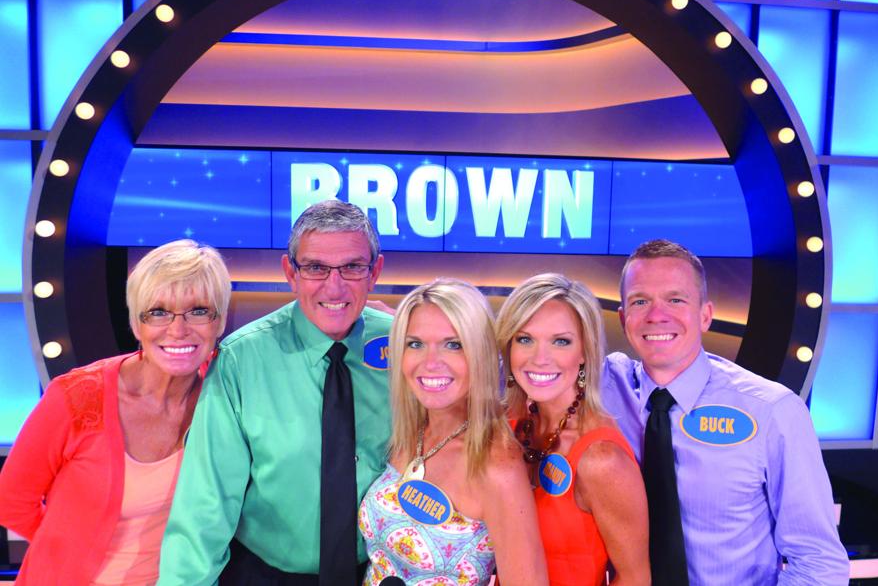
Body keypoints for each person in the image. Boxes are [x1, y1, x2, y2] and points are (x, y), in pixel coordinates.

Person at [158, 200, 392, 585]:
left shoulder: (408, 347)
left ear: (375, 272)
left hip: (381, 572)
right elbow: (206, 506)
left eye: (352, 267)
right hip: (266, 574)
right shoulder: (240, 359)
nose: (334, 286)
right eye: (315, 267)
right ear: (290, 272)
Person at [603, 239, 849, 585]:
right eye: (640, 301)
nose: (656, 315)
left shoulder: (772, 412)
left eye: (675, 300)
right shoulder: (605, 389)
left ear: (705, 316)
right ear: (623, 318)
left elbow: (819, 562)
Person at [0, 239, 231, 585]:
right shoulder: (75, 396)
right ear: (136, 325)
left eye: (198, 311)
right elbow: (11, 500)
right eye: (158, 312)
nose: (178, 329)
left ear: (219, 321)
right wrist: (66, 549)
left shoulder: (225, 401)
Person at [359, 278, 548, 586]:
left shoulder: (496, 466)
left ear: (481, 354)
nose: (430, 363)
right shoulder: (410, 430)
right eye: (415, 344)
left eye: (454, 345)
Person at [495, 273, 649, 586]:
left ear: (584, 353)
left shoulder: (602, 459)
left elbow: (636, 578)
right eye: (525, 339)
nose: (540, 359)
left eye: (560, 341)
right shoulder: (509, 427)